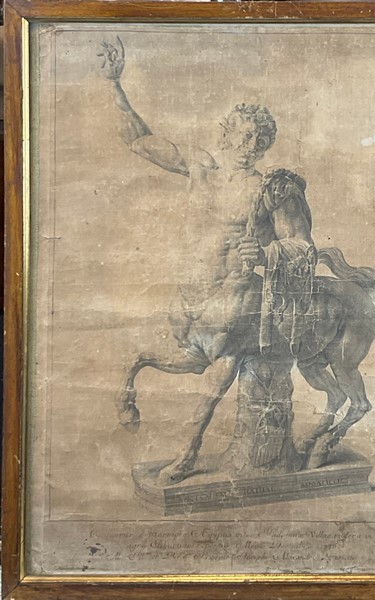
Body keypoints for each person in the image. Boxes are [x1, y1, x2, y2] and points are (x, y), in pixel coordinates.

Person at [99, 38, 322, 482]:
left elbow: (303, 245)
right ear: (226, 132)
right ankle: (130, 392)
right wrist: (114, 85)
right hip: (193, 293)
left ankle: (188, 454)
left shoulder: (272, 189)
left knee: (217, 376)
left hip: (239, 298)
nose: (251, 144)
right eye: (244, 134)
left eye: (260, 139)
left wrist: (266, 253)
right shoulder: (200, 166)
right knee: (179, 356)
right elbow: (139, 140)